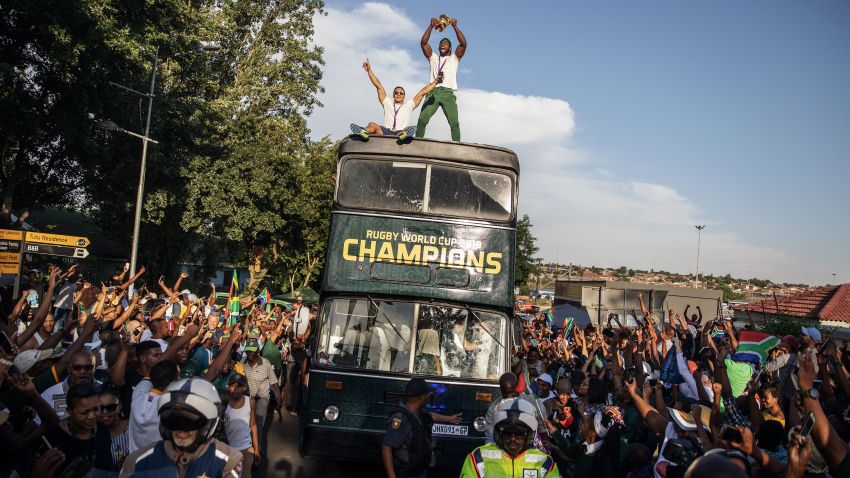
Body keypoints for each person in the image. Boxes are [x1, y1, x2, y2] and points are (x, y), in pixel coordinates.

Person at [119, 378, 243, 477]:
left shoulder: (229, 460)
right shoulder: (137, 461)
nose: (182, 429)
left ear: (209, 423)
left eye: (191, 421)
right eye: (173, 420)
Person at [382, 377, 461, 478]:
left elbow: (431, 416)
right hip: (407, 473)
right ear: (422, 397)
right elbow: (386, 448)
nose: (428, 397)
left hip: (419, 471)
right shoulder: (401, 419)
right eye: (427, 395)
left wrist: (450, 418)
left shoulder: (418, 411)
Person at [460, 398, 559, 477]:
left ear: (530, 435)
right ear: (498, 434)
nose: (512, 438)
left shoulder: (544, 462)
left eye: (519, 434)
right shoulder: (478, 458)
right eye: (507, 433)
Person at [350, 59, 437, 140]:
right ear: (393, 95)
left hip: (400, 132)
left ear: (404, 96)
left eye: (401, 93)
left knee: (407, 129)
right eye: (396, 93)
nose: (398, 94)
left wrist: (436, 81)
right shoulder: (387, 102)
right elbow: (378, 86)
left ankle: (404, 136)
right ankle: (363, 132)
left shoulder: (409, 105)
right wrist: (369, 71)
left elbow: (422, 92)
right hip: (387, 132)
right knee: (372, 124)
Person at [414, 17, 467, 141]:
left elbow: (463, 44)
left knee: (454, 123)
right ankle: (417, 144)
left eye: (445, 43)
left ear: (450, 48)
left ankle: (457, 146)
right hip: (433, 92)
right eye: (441, 43)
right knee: (422, 120)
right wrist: (431, 26)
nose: (442, 44)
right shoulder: (433, 58)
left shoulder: (454, 58)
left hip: (448, 93)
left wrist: (455, 27)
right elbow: (423, 43)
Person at [225, 372, 259, 477]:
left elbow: (253, 426)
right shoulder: (223, 403)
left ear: (244, 388)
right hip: (228, 450)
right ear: (228, 387)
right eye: (232, 385)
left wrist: (256, 450)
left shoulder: (251, 402)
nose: (235, 388)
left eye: (239, 386)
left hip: (246, 450)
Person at [98, 383, 130, 472]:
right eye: (100, 408)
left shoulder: (133, 429)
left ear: (119, 406)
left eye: (110, 407)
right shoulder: (90, 434)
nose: (105, 412)